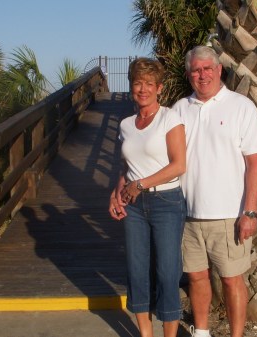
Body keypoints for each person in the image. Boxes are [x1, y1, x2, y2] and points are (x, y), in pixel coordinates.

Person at [172, 46, 257, 337]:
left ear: (219, 70)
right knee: (196, 278)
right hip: (186, 214)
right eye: (196, 70)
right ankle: (201, 332)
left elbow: (254, 163)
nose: (202, 75)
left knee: (231, 280)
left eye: (207, 68)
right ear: (188, 75)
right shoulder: (179, 109)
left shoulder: (241, 107)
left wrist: (249, 211)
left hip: (229, 216)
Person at [109, 57, 187, 337]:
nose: (143, 89)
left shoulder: (170, 118)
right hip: (134, 206)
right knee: (137, 270)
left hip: (167, 202)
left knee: (168, 273)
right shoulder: (127, 124)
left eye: (149, 84)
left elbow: (179, 165)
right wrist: (117, 192)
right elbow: (125, 167)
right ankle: (145, 333)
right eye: (137, 83)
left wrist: (140, 184)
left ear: (160, 88)